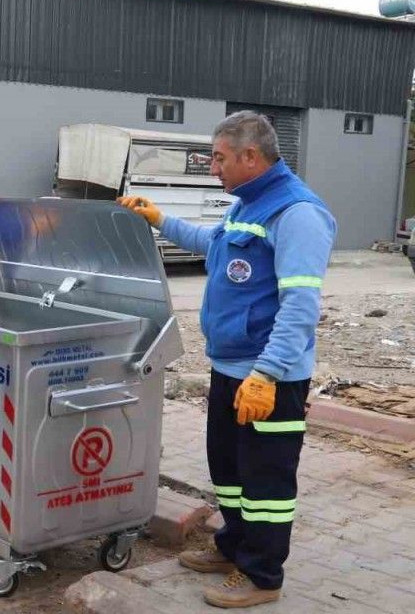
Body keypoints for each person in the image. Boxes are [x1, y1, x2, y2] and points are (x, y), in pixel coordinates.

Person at [118, 112, 335, 609]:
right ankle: (233, 548)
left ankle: (262, 575)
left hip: (268, 379)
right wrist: (160, 219)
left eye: (218, 158)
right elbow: (213, 246)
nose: (213, 168)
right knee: (231, 474)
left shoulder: (297, 213)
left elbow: (300, 307)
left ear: (250, 157)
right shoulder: (247, 205)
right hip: (232, 369)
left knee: (265, 483)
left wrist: (266, 374)